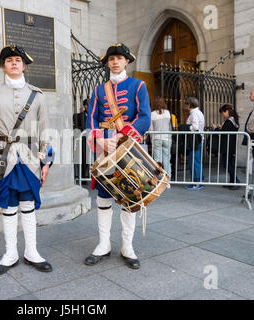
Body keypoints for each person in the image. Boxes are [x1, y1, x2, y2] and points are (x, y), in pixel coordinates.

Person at [0, 45, 54, 276]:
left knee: (28, 203)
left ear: (24, 66)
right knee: (9, 204)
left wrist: (46, 162)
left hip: (30, 157)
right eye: (9, 60)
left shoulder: (38, 95)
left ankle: (32, 252)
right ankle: (10, 253)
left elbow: (45, 130)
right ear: (3, 66)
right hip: (3, 157)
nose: (14, 63)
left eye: (18, 60)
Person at [85, 43, 151, 270]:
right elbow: (91, 119)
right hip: (105, 151)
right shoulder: (98, 90)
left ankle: (127, 247)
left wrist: (122, 137)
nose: (114, 61)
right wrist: (100, 139)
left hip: (128, 150)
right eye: (111, 58)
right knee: (103, 197)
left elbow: (144, 117)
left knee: (129, 197)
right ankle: (103, 244)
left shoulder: (138, 85)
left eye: (119, 58)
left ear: (127, 61)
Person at [212, 104, 240, 189]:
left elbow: (223, 132)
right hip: (231, 145)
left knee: (226, 164)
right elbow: (226, 130)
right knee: (229, 163)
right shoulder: (234, 120)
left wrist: (215, 128)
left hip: (227, 145)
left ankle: (235, 181)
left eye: (223, 112)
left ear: (227, 111)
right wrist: (221, 127)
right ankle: (232, 182)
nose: (223, 115)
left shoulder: (229, 121)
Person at [185, 97, 205, 190]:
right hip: (198, 139)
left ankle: (196, 182)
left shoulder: (194, 113)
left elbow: (195, 126)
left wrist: (186, 127)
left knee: (194, 161)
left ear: (190, 105)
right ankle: (199, 181)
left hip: (195, 139)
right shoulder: (198, 112)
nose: (186, 105)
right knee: (197, 161)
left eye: (187, 104)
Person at [149, 97, 172, 178]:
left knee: (157, 160)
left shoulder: (152, 114)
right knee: (167, 160)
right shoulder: (167, 113)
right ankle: (168, 179)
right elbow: (170, 127)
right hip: (167, 138)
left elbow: (151, 129)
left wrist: (151, 138)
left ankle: (159, 179)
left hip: (156, 138)